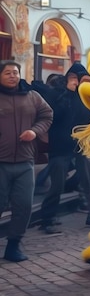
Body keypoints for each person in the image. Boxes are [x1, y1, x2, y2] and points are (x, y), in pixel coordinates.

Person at [0, 60, 53, 261]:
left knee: (23, 206)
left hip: (25, 161)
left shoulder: (32, 96)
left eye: (15, 72)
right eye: (7, 73)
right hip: (1, 162)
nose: (13, 75)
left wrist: (35, 131)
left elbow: (47, 115)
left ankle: (13, 246)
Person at [39, 62, 90, 234]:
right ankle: (48, 218)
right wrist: (69, 93)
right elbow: (54, 116)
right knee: (57, 184)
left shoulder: (87, 98)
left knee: (89, 181)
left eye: (80, 78)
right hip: (60, 146)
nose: (77, 81)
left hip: (82, 146)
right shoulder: (57, 94)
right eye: (73, 77)